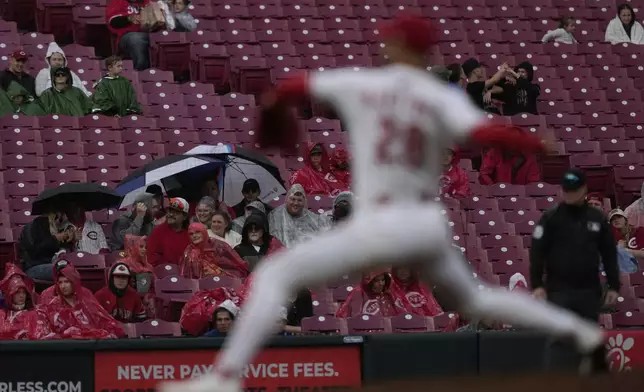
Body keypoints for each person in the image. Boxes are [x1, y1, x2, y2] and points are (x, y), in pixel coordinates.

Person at [160, 15, 608, 392]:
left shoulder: (364, 83)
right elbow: (486, 134)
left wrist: (276, 113)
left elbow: (292, 87)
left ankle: (224, 376)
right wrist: (534, 142)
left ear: (397, 45)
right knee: (474, 300)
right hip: (426, 224)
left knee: (277, 272)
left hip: (382, 223)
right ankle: (580, 331)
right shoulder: (439, 94)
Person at [530, 169, 619, 370]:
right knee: (560, 338)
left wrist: (613, 285)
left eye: (574, 190)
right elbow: (537, 253)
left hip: (588, 290)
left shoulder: (597, 218)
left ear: (584, 190)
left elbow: (609, 253)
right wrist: (537, 284)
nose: (569, 194)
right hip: (558, 289)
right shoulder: (551, 218)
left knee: (590, 339)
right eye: (567, 190)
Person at [44, 260, 125, 339]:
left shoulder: (86, 301)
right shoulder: (53, 305)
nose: (63, 286)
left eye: (66, 282)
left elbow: (104, 320)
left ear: (74, 282)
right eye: (60, 282)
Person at [0, 264, 57, 340]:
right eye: (17, 292)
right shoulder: (2, 316)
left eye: (23, 292)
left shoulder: (36, 315)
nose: (21, 296)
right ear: (11, 294)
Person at [19, 211, 76, 281]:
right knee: (65, 270)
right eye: (57, 217)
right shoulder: (35, 225)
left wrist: (70, 240)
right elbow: (35, 251)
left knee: (73, 267)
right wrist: (55, 239)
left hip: (51, 264)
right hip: (33, 266)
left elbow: (59, 252)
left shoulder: (58, 228)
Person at [180, 223, 248, 279]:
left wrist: (216, 271)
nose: (194, 236)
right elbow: (186, 275)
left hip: (222, 281)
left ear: (204, 232)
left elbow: (235, 264)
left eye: (197, 232)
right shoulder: (188, 251)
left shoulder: (218, 245)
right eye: (191, 234)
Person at [268, 184, 327, 248]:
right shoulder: (276, 215)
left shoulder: (312, 217)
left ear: (304, 202)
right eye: (293, 199)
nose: (296, 203)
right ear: (287, 199)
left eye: (299, 200)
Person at [106, 0, 151, 70]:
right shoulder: (118, 2)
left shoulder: (148, 2)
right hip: (127, 36)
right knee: (136, 39)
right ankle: (142, 71)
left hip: (150, 34)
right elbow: (112, 22)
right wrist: (128, 19)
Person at [147, 197, 191, 265]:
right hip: (165, 273)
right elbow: (152, 257)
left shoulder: (191, 233)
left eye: (176, 212)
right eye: (170, 211)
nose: (171, 214)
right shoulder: (158, 232)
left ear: (184, 217)